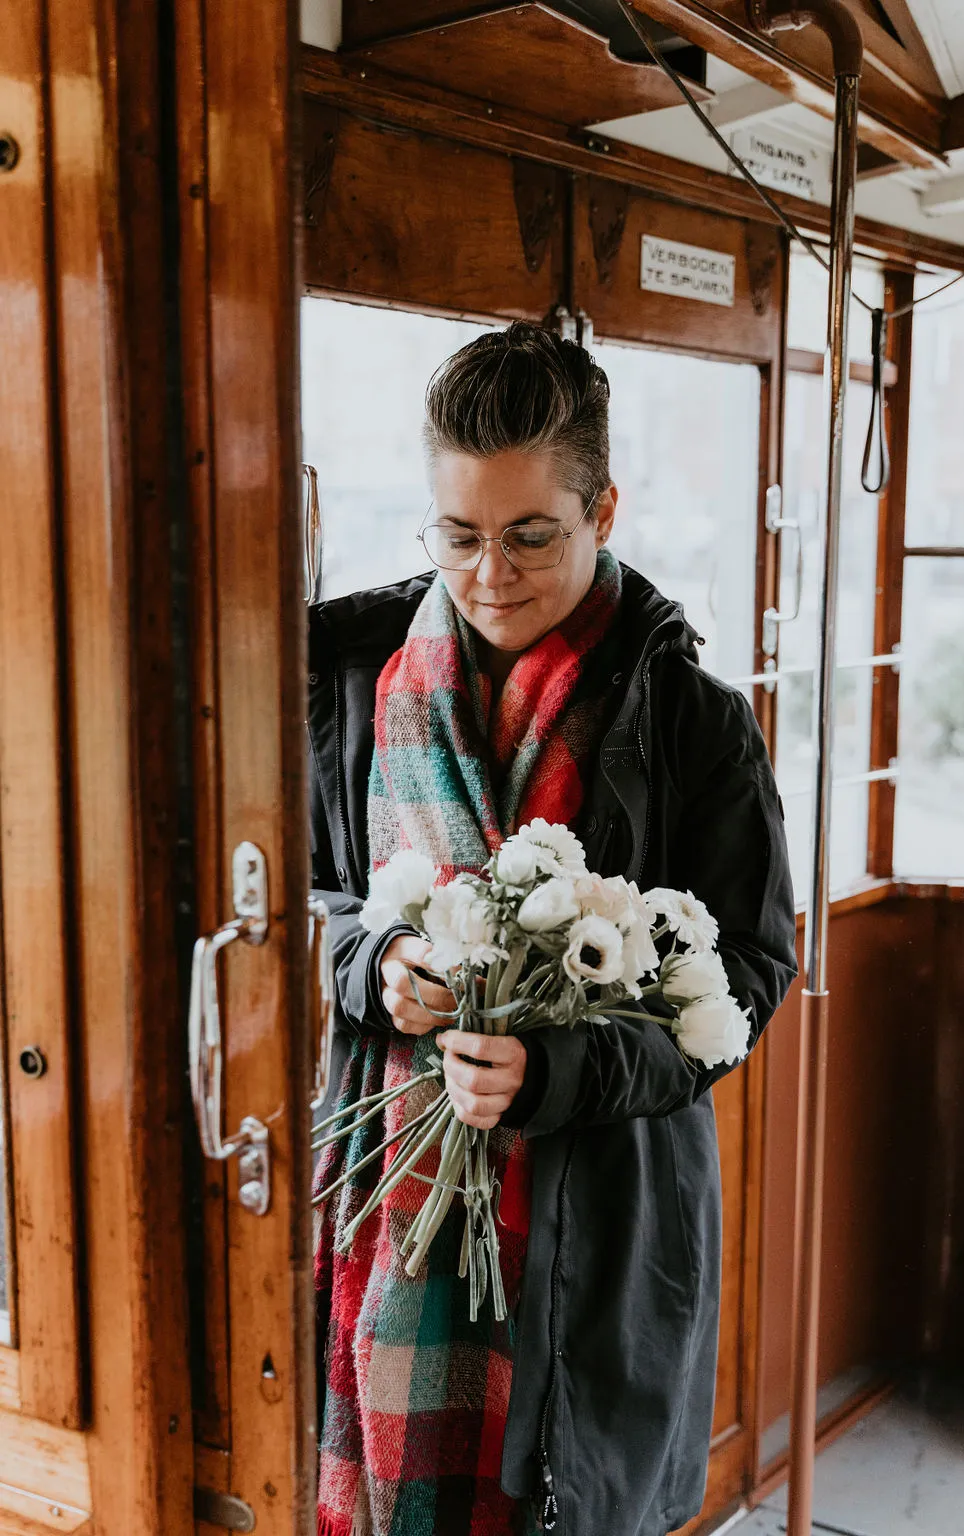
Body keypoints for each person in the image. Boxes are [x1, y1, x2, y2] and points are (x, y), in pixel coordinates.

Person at [307, 321, 797, 1536]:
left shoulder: (693, 723)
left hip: (600, 1223)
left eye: (533, 535)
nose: (490, 574)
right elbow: (289, 903)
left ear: (605, 509)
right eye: (459, 536)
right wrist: (377, 964)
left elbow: (749, 975)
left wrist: (558, 1068)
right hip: (379, 1194)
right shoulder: (350, 683)